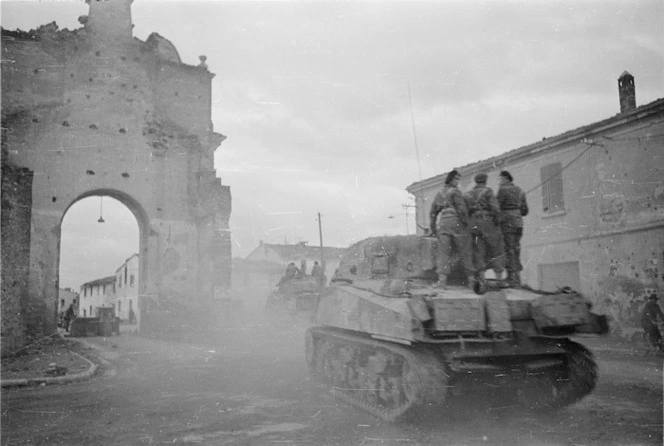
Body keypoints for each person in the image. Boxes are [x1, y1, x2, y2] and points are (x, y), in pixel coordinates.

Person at [429, 170, 475, 290]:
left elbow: (433, 212)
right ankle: (471, 280)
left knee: (443, 253)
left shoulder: (439, 193)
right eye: (456, 179)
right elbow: (462, 210)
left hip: (443, 224)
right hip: (456, 222)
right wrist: (467, 224)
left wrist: (433, 228)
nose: (457, 182)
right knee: (465, 250)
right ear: (451, 179)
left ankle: (442, 281)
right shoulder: (456, 192)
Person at [464, 173, 506, 289]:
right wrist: (497, 222)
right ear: (485, 181)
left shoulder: (468, 194)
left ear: (476, 181)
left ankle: (481, 279)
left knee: (479, 251)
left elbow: (465, 211)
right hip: (487, 222)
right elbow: (495, 209)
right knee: (496, 248)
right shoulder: (488, 192)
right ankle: (499, 280)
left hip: (474, 224)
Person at [496, 170, 528, 287]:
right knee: (516, 248)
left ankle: (511, 278)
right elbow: (525, 211)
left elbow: (496, 206)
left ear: (505, 178)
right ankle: (517, 277)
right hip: (518, 222)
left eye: (499, 179)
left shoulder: (502, 189)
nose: (498, 182)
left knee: (508, 248)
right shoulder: (520, 191)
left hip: (507, 222)